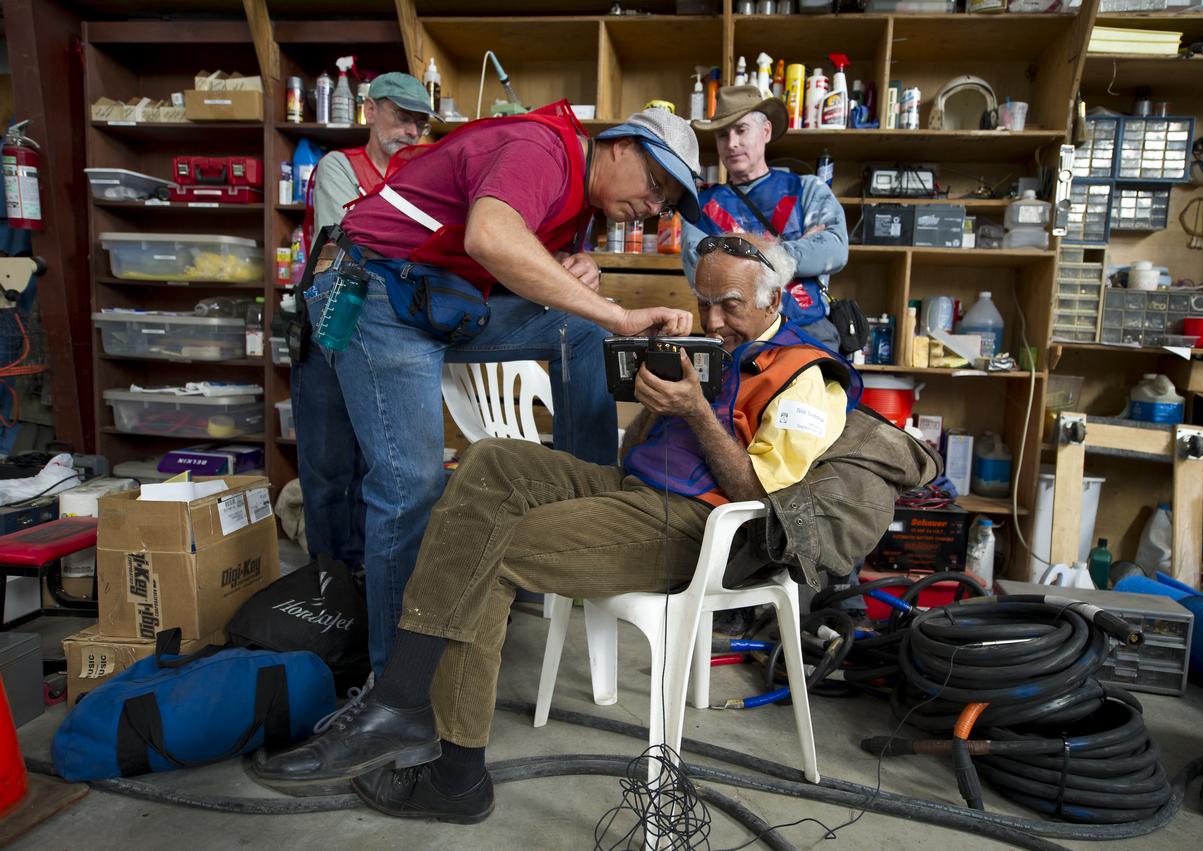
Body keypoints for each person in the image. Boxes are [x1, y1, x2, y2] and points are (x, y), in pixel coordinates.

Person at [255, 235, 939, 825]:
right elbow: (647, 446)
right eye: (705, 300)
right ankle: (404, 702)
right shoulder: (710, 344)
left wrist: (697, 409)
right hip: (634, 489)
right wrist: (653, 388)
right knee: (493, 463)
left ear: (774, 302)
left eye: (729, 305)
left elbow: (761, 495)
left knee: (487, 553)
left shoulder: (807, 378)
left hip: (702, 527)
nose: (713, 317)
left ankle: (449, 766)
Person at [301, 104, 702, 676]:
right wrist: (614, 313)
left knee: (579, 327)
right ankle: (395, 691)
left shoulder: (580, 199)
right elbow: (491, 237)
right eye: (656, 183)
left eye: (666, 202)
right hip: (377, 293)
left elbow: (516, 253)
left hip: (438, 299)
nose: (654, 204)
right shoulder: (540, 149)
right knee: (410, 486)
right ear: (617, 145)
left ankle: (584, 507)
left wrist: (571, 270)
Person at [292, 72, 436, 576]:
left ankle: (371, 579)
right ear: (370, 111)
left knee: (383, 467)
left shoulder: (421, 178)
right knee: (328, 466)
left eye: (419, 123)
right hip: (332, 327)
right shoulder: (338, 167)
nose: (411, 132)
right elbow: (349, 243)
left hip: (389, 331)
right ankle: (330, 579)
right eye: (401, 117)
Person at [682, 85, 848, 352]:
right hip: (737, 337)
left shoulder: (808, 189)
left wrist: (736, 258)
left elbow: (834, 250)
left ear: (766, 131)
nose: (732, 143)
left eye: (741, 130)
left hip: (807, 330)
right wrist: (795, 252)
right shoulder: (700, 205)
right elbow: (700, 270)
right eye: (723, 135)